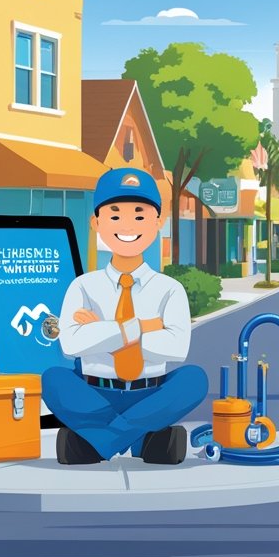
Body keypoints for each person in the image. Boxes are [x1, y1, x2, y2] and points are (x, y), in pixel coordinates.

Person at [42, 167, 207, 465]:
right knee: (53, 379)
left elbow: (176, 347)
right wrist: (143, 327)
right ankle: (140, 436)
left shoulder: (169, 289)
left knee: (194, 379)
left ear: (158, 222)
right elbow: (71, 345)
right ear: (97, 223)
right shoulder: (83, 286)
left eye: (139, 216)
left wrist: (103, 332)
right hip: (95, 392)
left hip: (150, 392)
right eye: (115, 216)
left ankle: (101, 439)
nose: (127, 225)